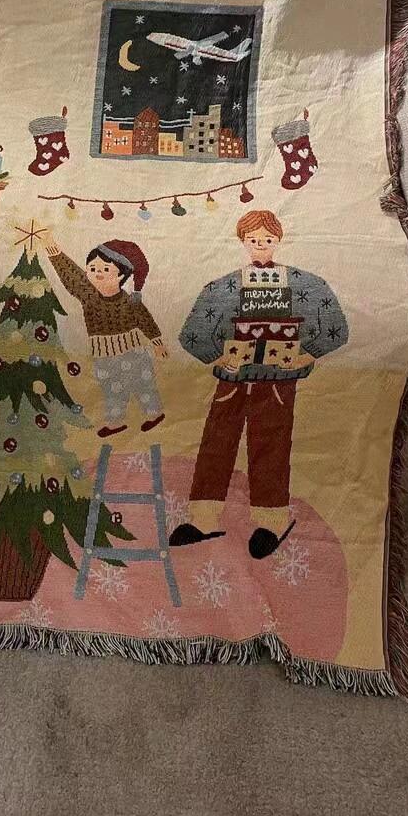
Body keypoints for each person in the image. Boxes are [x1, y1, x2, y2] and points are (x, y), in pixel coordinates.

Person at [172, 209, 347, 559]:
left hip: (278, 382)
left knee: (271, 445)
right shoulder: (224, 287)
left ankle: (271, 521)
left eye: (267, 239)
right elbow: (191, 333)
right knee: (216, 442)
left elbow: (336, 327)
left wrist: (307, 355)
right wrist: (217, 358)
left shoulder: (305, 284)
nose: (261, 245)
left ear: (278, 240)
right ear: (243, 242)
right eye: (254, 240)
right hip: (232, 382)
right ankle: (203, 518)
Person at [44, 238, 167, 438]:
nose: (97, 273)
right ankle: (115, 422)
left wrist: (157, 343)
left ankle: (154, 414)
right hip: (104, 355)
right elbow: (74, 278)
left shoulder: (130, 302)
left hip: (134, 352)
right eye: (92, 269)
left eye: (105, 269)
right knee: (112, 389)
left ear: (121, 276)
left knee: (143, 384)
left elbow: (145, 320)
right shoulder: (89, 296)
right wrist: (57, 256)